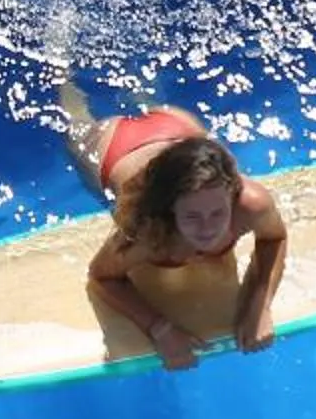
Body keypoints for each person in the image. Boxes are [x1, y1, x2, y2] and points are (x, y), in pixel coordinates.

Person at [57, 82, 288, 371]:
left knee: (140, 89)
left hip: (178, 130)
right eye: (192, 217)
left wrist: (260, 303)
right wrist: (160, 329)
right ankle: (62, 75)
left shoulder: (251, 203)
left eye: (218, 213)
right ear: (170, 210)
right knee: (75, 119)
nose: (207, 229)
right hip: (112, 147)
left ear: (232, 196)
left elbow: (274, 238)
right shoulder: (147, 229)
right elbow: (102, 276)